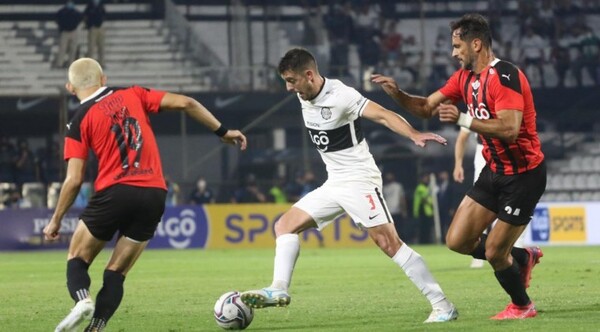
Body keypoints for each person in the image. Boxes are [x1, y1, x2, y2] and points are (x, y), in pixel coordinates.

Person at [240, 48, 458, 323]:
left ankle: (443, 305)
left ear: (309, 75)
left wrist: (413, 134)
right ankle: (278, 289)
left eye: (292, 80)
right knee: (285, 225)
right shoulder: (303, 94)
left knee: (388, 242)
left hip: (359, 179)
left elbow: (382, 114)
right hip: (335, 182)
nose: (288, 87)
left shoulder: (341, 95)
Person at [43, 58, 246, 332]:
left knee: (77, 259)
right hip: (154, 193)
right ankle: (95, 328)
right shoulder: (134, 94)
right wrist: (223, 132)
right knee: (116, 273)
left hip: (115, 192)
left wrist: (56, 219)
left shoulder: (78, 120)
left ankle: (82, 300)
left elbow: (74, 178)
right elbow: (187, 103)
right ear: (103, 79)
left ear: (70, 87)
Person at [372, 13, 545, 320]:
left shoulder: (505, 75)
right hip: (494, 172)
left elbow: (510, 128)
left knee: (493, 252)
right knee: (457, 241)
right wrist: (398, 95)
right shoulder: (463, 78)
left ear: (475, 43)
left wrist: (463, 119)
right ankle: (522, 256)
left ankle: (522, 306)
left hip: (524, 176)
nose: (453, 53)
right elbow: (426, 107)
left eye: (457, 46)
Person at [54, 0, 83, 68]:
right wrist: (61, 27)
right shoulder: (62, 11)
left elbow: (81, 18)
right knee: (62, 48)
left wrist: (75, 26)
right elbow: (57, 19)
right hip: (65, 32)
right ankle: (59, 64)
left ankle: (71, 64)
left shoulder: (76, 12)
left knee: (73, 49)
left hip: (73, 31)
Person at [382, 171, 408, 242]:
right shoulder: (385, 188)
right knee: (393, 229)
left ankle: (400, 242)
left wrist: (403, 210)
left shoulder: (397, 186)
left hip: (396, 211)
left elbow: (402, 199)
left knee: (398, 229)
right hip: (389, 212)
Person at [83, 0, 106, 67]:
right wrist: (88, 24)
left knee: (101, 47)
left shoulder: (101, 5)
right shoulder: (89, 5)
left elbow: (104, 14)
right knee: (91, 47)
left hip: (100, 27)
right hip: (92, 28)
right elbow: (86, 16)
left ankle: (102, 63)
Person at [412, 172, 434, 244]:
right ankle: (423, 242)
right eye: (425, 178)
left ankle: (427, 241)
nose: (426, 179)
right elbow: (424, 198)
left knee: (427, 228)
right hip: (422, 211)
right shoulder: (420, 187)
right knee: (423, 229)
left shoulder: (426, 187)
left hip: (428, 211)